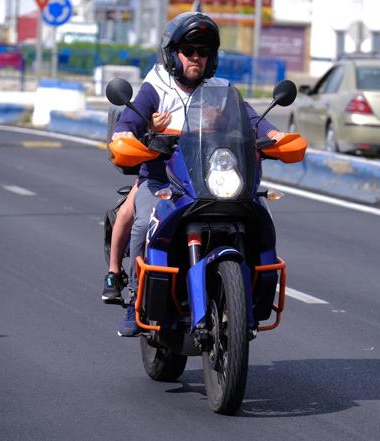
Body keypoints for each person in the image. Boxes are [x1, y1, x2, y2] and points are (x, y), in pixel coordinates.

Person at [111, 11, 283, 337]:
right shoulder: (155, 87)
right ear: (173, 54)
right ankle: (136, 296)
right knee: (145, 221)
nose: (196, 57)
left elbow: (254, 122)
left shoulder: (221, 90)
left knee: (260, 215)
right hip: (164, 178)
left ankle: (255, 291)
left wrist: (278, 138)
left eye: (203, 52)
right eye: (189, 50)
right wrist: (126, 138)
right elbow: (128, 126)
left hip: (212, 179)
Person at [100, 110, 173, 305]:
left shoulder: (212, 97)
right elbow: (129, 129)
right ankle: (114, 272)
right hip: (157, 175)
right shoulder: (156, 95)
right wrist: (151, 128)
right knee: (125, 214)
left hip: (198, 178)